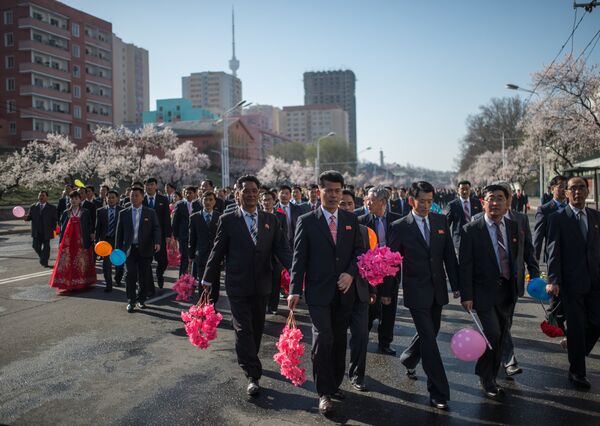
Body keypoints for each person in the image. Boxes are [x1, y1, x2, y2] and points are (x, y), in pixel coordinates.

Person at [202, 175, 292, 396]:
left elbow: (282, 250)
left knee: (257, 328)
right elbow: (217, 251)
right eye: (246, 191)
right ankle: (252, 374)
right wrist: (206, 278)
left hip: (262, 284)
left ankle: (250, 361)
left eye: (254, 191)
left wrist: (297, 272)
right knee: (243, 330)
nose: (251, 195)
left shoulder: (271, 220)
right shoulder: (228, 219)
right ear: (237, 194)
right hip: (237, 284)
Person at [288, 170, 364, 415]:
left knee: (340, 339)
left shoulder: (351, 220)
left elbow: (358, 254)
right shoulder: (307, 221)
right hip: (318, 292)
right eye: (328, 190)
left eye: (337, 191)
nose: (333, 195)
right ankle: (323, 393)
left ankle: (334, 384)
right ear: (318, 191)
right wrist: (294, 289)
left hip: (344, 292)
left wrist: (350, 273)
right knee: (323, 337)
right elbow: (299, 259)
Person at [388, 181, 458, 410]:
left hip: (437, 289)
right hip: (415, 291)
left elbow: (449, 255)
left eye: (430, 201)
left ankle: (409, 357)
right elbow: (392, 263)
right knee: (429, 338)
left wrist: (457, 286)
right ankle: (438, 392)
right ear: (411, 201)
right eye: (422, 201)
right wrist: (386, 292)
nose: (427, 206)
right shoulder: (400, 226)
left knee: (432, 331)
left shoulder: (440, 220)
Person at [459, 184, 520, 399]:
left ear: (507, 202)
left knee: (501, 336)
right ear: (483, 202)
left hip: (507, 291)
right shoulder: (471, 230)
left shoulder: (513, 227)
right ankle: (487, 378)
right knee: (491, 333)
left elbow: (515, 258)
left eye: (500, 198)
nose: (495, 203)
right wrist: (466, 295)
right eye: (491, 198)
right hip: (482, 293)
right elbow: (464, 265)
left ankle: (490, 374)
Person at [547, 176, 600, 390]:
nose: (577, 192)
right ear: (566, 193)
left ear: (587, 192)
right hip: (570, 282)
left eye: (581, 187)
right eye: (572, 189)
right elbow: (553, 250)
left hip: (596, 280)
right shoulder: (557, 218)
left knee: (597, 323)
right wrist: (553, 280)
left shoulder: (596, 217)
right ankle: (577, 372)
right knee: (577, 327)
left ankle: (574, 349)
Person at [339, 189, 376, 392]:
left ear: (356, 206)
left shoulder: (364, 230)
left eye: (349, 204)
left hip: (360, 292)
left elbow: (369, 263)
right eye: (342, 204)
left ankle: (357, 375)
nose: (346, 207)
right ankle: (335, 373)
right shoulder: (330, 229)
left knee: (361, 336)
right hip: (337, 293)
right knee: (337, 337)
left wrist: (372, 290)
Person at [358, 186, 401, 356]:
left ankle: (385, 343)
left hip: (391, 272)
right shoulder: (361, 221)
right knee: (369, 308)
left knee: (389, 309)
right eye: (367, 199)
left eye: (372, 200)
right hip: (368, 273)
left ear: (383, 202)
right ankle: (362, 339)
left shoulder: (397, 222)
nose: (368, 203)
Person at [533, 175, 569, 342]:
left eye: (566, 186)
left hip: (576, 260)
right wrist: (533, 264)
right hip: (555, 259)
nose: (564, 190)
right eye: (561, 186)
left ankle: (562, 322)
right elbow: (538, 238)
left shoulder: (573, 207)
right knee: (557, 292)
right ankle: (556, 322)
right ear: (552, 188)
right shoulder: (545, 209)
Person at [116, 187, 161, 313]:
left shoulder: (150, 212)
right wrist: (117, 250)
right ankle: (131, 300)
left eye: (136, 195)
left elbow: (156, 229)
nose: (133, 198)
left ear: (142, 197)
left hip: (145, 249)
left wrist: (157, 242)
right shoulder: (123, 213)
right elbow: (119, 233)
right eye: (131, 196)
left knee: (144, 276)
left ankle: (141, 300)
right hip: (129, 250)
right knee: (130, 275)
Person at [49, 191, 96, 292]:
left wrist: (91, 234)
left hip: (81, 239)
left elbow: (89, 225)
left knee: (81, 259)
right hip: (69, 240)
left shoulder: (85, 212)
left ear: (80, 200)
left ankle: (82, 282)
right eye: (72, 199)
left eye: (76, 199)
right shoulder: (66, 212)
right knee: (68, 260)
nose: (74, 201)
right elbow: (62, 227)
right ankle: (68, 282)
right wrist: (61, 241)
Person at [189, 191, 221, 303]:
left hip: (215, 256)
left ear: (214, 202)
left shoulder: (220, 217)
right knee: (202, 282)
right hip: (201, 255)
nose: (208, 202)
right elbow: (192, 238)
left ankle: (212, 306)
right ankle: (202, 306)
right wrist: (191, 255)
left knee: (215, 283)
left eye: (210, 200)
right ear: (201, 201)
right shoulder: (194, 217)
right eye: (205, 200)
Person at [261, 190, 289, 315]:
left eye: (269, 200)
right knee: (263, 281)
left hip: (276, 256)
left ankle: (273, 305)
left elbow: (284, 237)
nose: (267, 202)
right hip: (262, 256)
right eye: (264, 200)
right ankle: (264, 304)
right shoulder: (258, 215)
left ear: (274, 201)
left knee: (276, 282)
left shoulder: (281, 216)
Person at [144, 177, 172, 292]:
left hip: (159, 235)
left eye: (151, 185)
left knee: (163, 260)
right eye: (147, 185)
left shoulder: (163, 199)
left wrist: (168, 235)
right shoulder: (142, 199)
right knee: (147, 261)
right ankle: (149, 285)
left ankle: (159, 274)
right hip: (145, 236)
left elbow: (166, 218)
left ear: (156, 186)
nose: (149, 187)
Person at [95, 190, 124, 292]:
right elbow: (97, 228)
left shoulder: (123, 211)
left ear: (117, 199)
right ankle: (108, 284)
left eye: (113, 198)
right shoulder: (100, 211)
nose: (111, 200)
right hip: (105, 241)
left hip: (118, 240)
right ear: (106, 199)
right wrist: (96, 241)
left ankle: (118, 278)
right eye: (109, 198)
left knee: (119, 263)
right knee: (106, 264)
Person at [172, 186, 202, 277]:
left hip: (196, 236)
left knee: (195, 257)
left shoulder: (199, 204)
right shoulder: (180, 204)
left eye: (190, 193)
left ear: (195, 193)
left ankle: (194, 277)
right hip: (183, 235)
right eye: (186, 193)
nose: (188, 194)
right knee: (184, 257)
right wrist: (175, 235)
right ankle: (182, 277)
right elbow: (175, 221)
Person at [446, 180, 483, 252]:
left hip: (475, 238)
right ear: (458, 190)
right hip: (459, 240)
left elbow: (481, 219)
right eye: (462, 189)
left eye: (467, 189)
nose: (465, 191)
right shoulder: (452, 205)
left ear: (470, 190)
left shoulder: (477, 202)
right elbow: (447, 223)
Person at [25, 191, 58, 268]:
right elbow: (29, 217)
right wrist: (26, 218)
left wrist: (54, 230)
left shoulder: (52, 208)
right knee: (35, 246)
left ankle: (45, 261)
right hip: (36, 231)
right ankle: (43, 258)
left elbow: (54, 219)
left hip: (47, 231)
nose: (41, 197)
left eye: (43, 196)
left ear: (47, 197)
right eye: (40, 196)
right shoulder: (33, 207)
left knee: (46, 248)